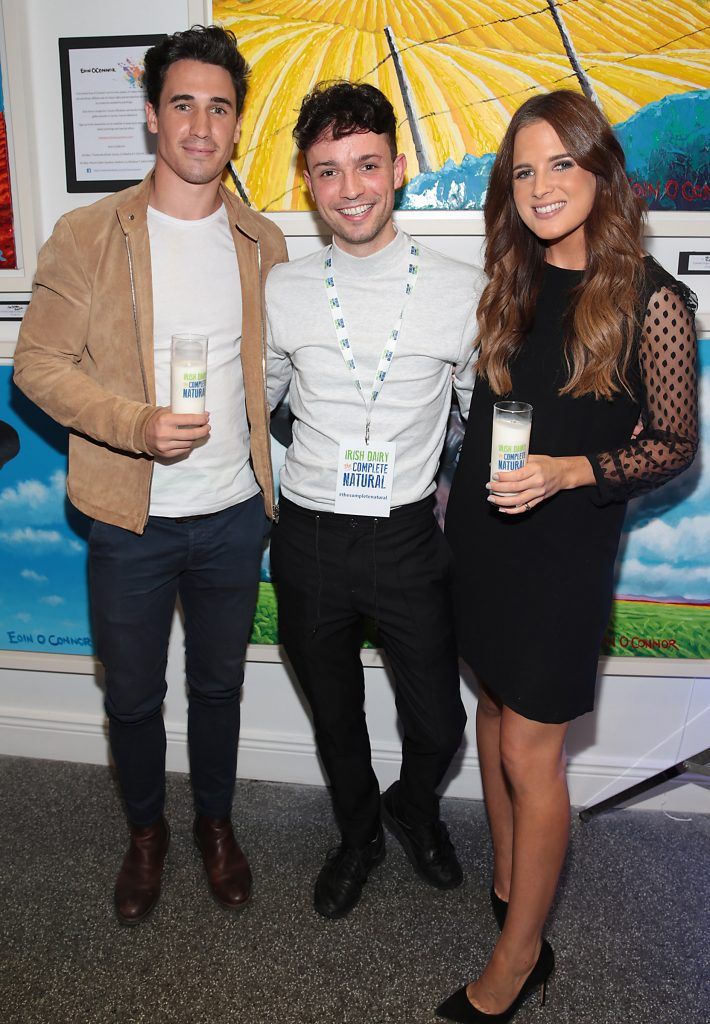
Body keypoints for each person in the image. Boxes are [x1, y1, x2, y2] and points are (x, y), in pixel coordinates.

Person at [13, 26, 287, 925]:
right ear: (150, 116)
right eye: (183, 104)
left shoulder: (263, 242)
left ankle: (213, 824)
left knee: (219, 687)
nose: (200, 125)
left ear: (237, 126)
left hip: (233, 514)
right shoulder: (90, 235)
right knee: (131, 696)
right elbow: (38, 367)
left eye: (218, 107)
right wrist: (135, 425)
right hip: (128, 518)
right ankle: (146, 835)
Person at [438, 90, 698, 1022]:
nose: (542, 186)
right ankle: (514, 887)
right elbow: (493, 416)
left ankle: (519, 958)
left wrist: (570, 469)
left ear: (600, 170)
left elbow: (673, 443)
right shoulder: (511, 276)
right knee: (493, 714)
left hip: (563, 545)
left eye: (561, 163)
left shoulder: (655, 301)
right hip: (484, 533)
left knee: (531, 750)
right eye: (523, 170)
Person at [266, 82, 483, 919]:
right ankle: (357, 836)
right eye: (328, 171)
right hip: (312, 535)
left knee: (440, 726)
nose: (350, 188)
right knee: (336, 717)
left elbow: (475, 413)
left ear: (397, 168)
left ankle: (413, 807)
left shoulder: (461, 288)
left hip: (405, 538)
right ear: (309, 182)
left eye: (365, 165)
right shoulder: (284, 288)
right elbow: (271, 399)